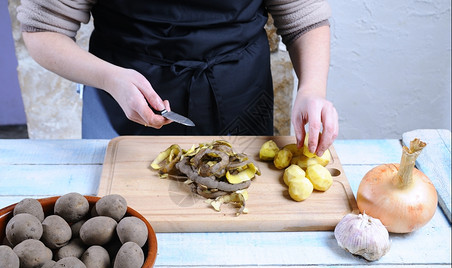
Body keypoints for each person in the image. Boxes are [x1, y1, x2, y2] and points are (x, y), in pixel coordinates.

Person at [17, 0, 338, 156]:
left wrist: (311, 88)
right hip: (125, 100)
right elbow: (43, 29)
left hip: (240, 96)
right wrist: (109, 78)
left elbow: (304, 20)